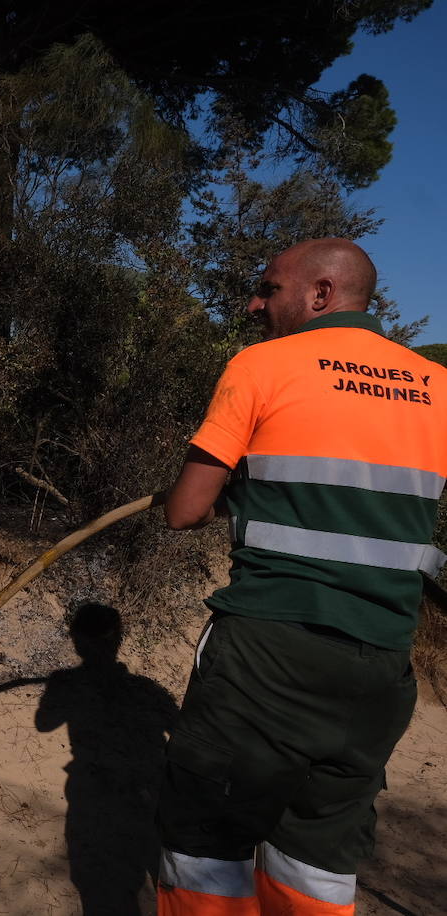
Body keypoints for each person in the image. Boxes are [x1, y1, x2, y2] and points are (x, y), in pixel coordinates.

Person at [158, 238, 447, 914]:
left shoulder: (263, 364)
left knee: (205, 845)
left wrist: (238, 492)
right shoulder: (435, 385)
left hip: (269, 651)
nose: (254, 304)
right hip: (380, 666)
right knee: (316, 862)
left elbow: (184, 510)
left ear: (321, 293)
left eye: (269, 288)